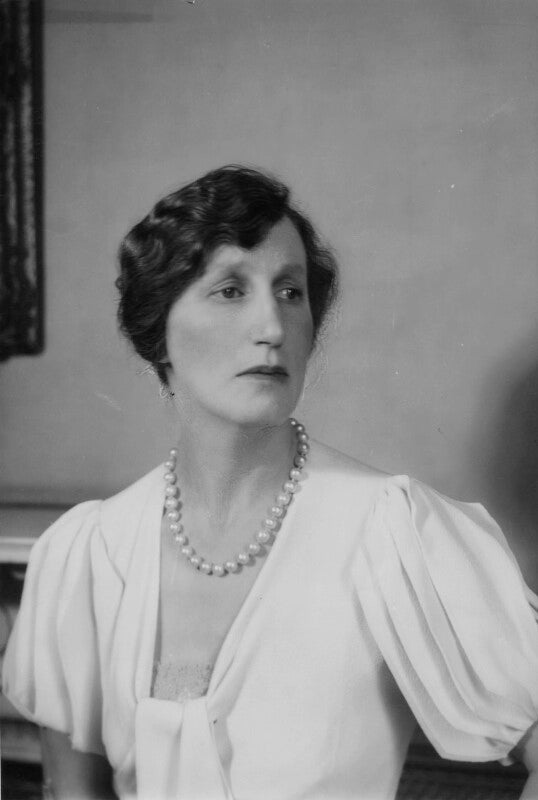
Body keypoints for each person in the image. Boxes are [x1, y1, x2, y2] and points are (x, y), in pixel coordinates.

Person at [3, 165, 538, 800]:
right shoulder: (91, 552)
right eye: (231, 290)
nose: (273, 327)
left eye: (290, 292)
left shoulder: (395, 532)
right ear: (159, 328)